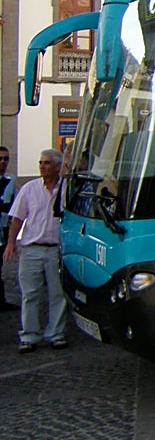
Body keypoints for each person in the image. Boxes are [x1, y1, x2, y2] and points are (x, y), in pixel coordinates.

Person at [3, 149, 68, 352]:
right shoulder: (30, 189)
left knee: (58, 294)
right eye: (40, 162)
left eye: (47, 163)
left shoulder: (66, 189)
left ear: (58, 166)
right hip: (32, 248)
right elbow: (17, 218)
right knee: (29, 294)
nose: (42, 166)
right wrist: (11, 243)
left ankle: (56, 333)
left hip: (56, 250)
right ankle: (29, 336)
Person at [0, 147, 17, 311]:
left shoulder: (10, 180)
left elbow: (13, 203)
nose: (3, 162)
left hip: (3, 228)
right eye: (0, 159)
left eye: (5, 159)